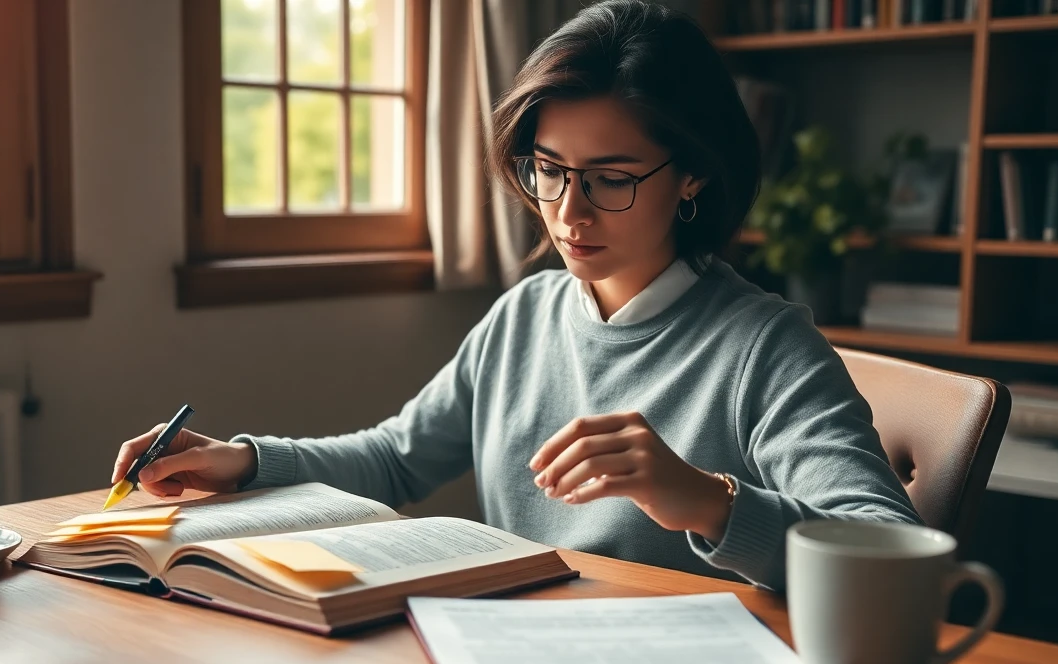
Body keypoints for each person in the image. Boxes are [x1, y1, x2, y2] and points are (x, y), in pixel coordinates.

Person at [112, 0, 919, 590]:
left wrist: (706, 501)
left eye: (611, 179)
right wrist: (245, 461)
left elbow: (888, 544)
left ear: (695, 174)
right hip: (517, 659)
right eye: (550, 171)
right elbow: (396, 459)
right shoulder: (526, 314)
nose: (569, 212)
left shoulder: (763, 346)